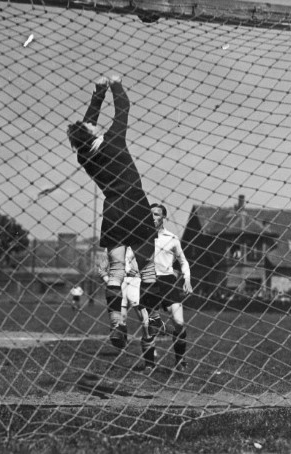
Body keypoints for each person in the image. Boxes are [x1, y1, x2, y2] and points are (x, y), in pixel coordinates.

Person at [67, 75, 156, 349]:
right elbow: (124, 108)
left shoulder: (84, 156)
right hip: (137, 205)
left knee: (116, 271)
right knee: (148, 270)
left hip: (114, 209)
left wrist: (97, 94)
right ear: (91, 133)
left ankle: (117, 323)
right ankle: (153, 318)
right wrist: (113, 86)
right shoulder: (114, 139)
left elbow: (86, 126)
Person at [139, 203, 193, 373]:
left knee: (179, 322)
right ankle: (149, 364)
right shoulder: (140, 237)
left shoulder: (172, 238)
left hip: (168, 282)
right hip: (147, 282)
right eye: (150, 214)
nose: (152, 217)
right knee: (147, 326)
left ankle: (180, 360)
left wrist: (187, 280)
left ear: (163, 217)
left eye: (156, 214)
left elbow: (183, 261)